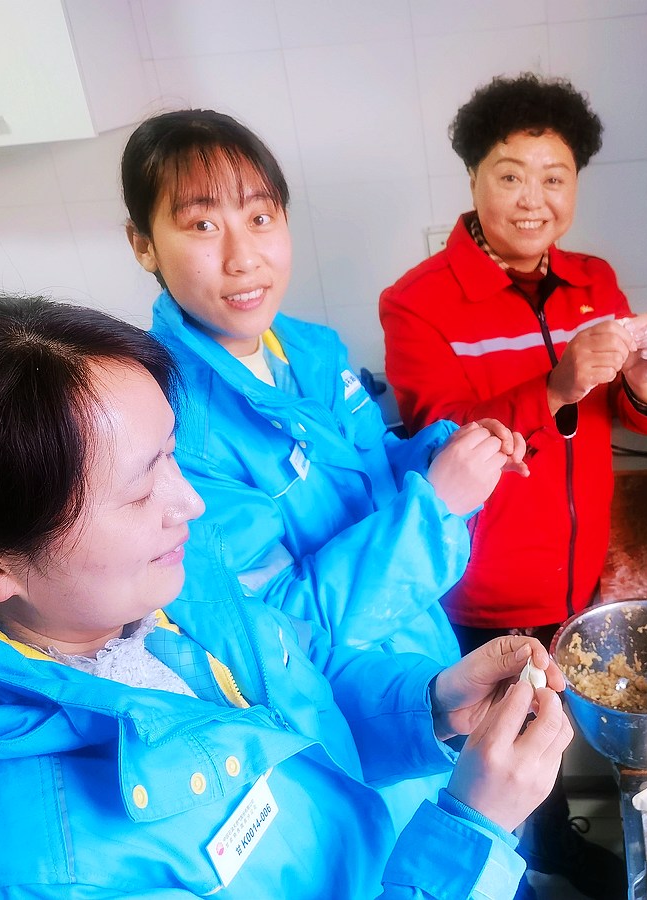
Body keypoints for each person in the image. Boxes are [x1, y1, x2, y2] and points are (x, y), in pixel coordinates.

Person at [0, 291, 573, 900]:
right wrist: (472, 830)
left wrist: (432, 705)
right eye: (139, 490)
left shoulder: (146, 591)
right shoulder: (33, 871)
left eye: (172, 455)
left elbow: (295, 675)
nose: (188, 503)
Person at [121, 109, 528, 829]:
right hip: (348, 719)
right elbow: (284, 630)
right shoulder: (172, 428)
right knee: (415, 849)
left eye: (260, 218)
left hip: (422, 652)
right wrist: (436, 508)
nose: (243, 258)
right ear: (143, 244)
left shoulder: (307, 349)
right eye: (203, 226)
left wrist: (442, 451)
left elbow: (368, 470)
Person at [380, 73, 647, 897]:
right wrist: (554, 386)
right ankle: (513, 875)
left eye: (554, 177)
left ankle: (552, 855)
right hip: (484, 588)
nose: (533, 200)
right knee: (495, 750)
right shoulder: (417, 304)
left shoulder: (594, 281)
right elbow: (439, 444)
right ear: (473, 178)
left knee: (552, 735)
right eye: (510, 175)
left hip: (577, 575)